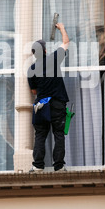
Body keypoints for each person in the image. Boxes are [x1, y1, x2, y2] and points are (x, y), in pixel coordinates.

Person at [28, 23, 70, 173]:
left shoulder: (31, 69)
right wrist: (62, 29)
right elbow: (66, 42)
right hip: (57, 103)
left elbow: (34, 91)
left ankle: (38, 165)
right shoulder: (53, 59)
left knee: (40, 134)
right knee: (58, 134)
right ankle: (58, 166)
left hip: (41, 105)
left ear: (34, 53)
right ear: (45, 50)